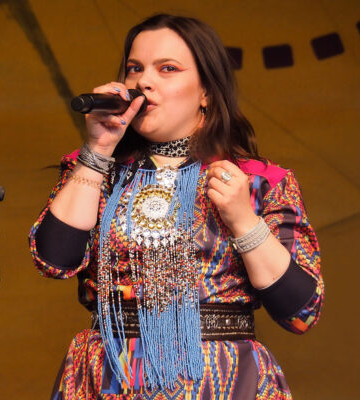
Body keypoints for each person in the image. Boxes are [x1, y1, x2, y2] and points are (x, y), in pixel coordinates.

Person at [29, 14, 323, 399]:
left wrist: (243, 220)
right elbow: (54, 261)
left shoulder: (259, 180)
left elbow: (301, 312)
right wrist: (99, 149)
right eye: (135, 68)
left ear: (206, 92)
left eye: (167, 68)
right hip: (110, 376)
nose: (143, 81)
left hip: (219, 380)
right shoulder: (97, 170)